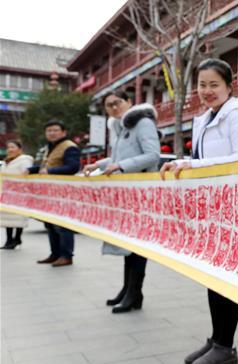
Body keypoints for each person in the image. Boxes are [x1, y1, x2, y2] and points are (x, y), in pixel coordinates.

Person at [160, 58, 238, 364]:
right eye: (202, 85)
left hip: (235, 209)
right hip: (211, 208)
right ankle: (216, 338)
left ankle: (225, 345)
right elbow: (200, 159)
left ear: (230, 86)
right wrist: (182, 163)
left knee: (227, 277)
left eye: (214, 84)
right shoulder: (203, 118)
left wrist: (192, 166)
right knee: (213, 275)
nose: (206, 91)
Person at [83, 91, 160, 313]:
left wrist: (121, 166)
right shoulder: (120, 127)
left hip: (141, 195)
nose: (114, 108)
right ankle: (128, 290)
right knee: (129, 245)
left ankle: (134, 292)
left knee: (138, 246)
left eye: (118, 103)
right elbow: (118, 159)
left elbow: (153, 155)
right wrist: (98, 164)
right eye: (109, 106)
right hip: (127, 196)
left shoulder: (143, 122)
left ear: (129, 102)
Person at [28, 120, 81, 267]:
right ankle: (55, 254)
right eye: (49, 130)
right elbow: (47, 165)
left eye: (55, 130)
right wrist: (31, 169)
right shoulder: (50, 147)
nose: (52, 133)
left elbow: (73, 167)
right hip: (50, 193)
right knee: (50, 225)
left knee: (63, 226)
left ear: (63, 132)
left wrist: (50, 171)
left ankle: (66, 256)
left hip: (64, 193)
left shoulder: (70, 147)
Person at [0, 140, 35, 249]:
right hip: (7, 194)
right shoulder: (6, 162)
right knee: (7, 218)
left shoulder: (24, 160)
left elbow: (26, 173)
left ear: (19, 149)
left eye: (13, 147)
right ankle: (9, 240)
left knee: (19, 217)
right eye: (8, 147)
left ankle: (17, 238)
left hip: (19, 193)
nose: (10, 150)